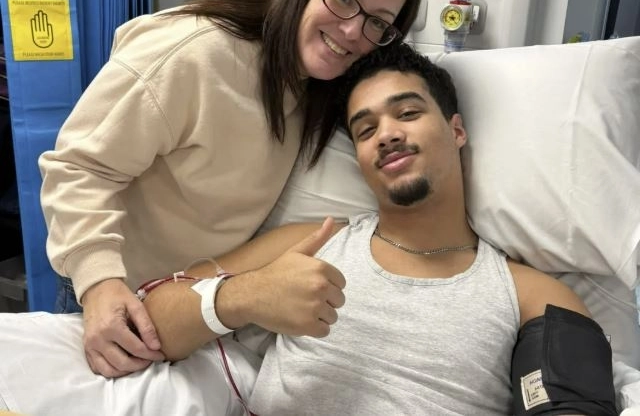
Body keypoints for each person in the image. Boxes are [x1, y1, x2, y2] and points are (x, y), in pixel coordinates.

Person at [0, 42, 617, 415]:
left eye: (407, 113)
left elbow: (571, 402)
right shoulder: (315, 242)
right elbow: (151, 320)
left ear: (456, 131)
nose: (387, 134)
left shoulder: (531, 293)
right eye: (366, 129)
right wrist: (242, 296)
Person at [38, 0, 424, 377]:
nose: (352, 30)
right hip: (116, 296)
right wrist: (99, 283)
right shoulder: (196, 54)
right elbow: (78, 167)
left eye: (378, 22)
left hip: (188, 314)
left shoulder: (314, 89)